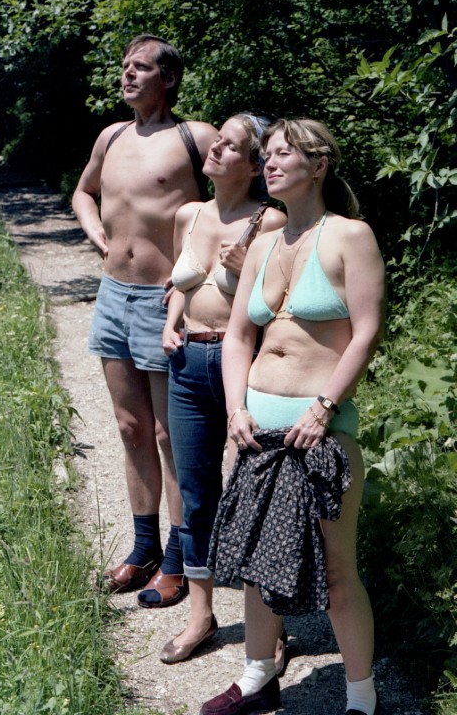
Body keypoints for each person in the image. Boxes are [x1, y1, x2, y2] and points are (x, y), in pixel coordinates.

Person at [200, 118, 386, 715]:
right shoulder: (263, 243)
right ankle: (257, 678)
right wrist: (235, 409)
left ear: (319, 164)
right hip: (256, 430)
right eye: (267, 155)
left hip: (320, 433)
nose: (270, 163)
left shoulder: (350, 236)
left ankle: (360, 698)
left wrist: (324, 407)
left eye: (284, 154)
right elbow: (237, 337)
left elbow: (367, 332)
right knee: (257, 561)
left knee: (336, 571)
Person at [72, 34, 218, 605]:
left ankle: (179, 558)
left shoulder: (194, 137)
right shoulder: (111, 136)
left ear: (169, 78)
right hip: (113, 296)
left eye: (141, 67)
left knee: (168, 435)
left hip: (165, 302)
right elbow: (84, 193)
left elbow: (237, 206)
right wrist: (97, 235)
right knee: (131, 428)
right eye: (125, 66)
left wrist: (204, 270)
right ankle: (143, 549)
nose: (128, 74)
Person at [157, 113, 287, 657]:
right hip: (188, 362)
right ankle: (201, 616)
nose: (215, 150)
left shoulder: (272, 221)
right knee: (195, 492)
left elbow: (281, 306)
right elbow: (180, 282)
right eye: (217, 142)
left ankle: (271, 626)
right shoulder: (189, 214)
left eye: (231, 146)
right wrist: (171, 324)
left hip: (247, 365)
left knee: (258, 494)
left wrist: (249, 268)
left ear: (254, 166)